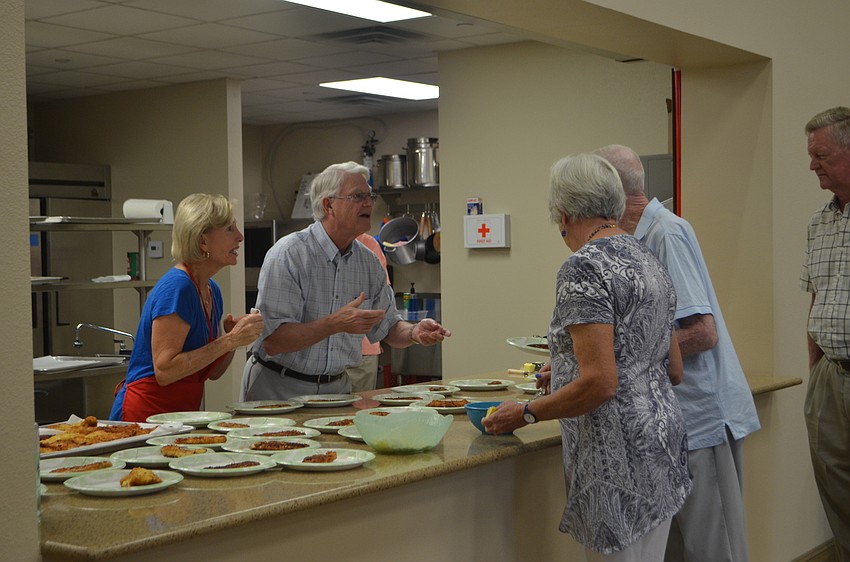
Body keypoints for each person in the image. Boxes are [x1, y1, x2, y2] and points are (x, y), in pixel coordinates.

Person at [484, 153, 690, 561]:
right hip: (663, 448)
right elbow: (674, 369)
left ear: (562, 214)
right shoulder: (647, 257)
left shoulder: (582, 267)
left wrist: (526, 411)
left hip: (616, 462)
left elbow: (601, 382)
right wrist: (563, 369)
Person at [594, 144, 760, 562]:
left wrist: (617, 357)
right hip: (667, 423)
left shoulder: (665, 232)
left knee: (714, 550)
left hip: (700, 420)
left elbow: (702, 333)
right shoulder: (633, 239)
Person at [241, 161, 450, 400]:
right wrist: (335, 323)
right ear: (329, 205)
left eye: (370, 195)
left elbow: (389, 327)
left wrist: (414, 332)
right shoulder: (289, 254)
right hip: (279, 388)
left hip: (336, 392)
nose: (369, 203)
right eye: (358, 196)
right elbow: (273, 340)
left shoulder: (369, 262)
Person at [109, 193, 264, 421]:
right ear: (203, 241)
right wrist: (228, 341)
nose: (240, 237)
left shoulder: (211, 290)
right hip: (144, 415)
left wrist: (234, 341)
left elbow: (213, 373)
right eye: (229, 229)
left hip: (179, 416)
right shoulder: (177, 288)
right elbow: (165, 370)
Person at [801, 106, 850, 561]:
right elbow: (816, 300)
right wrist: (815, 371)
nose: (812, 164)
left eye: (821, 154)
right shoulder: (820, 223)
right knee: (834, 484)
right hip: (829, 377)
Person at [345, 232, 390, 392]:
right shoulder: (307, 246)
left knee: (357, 412)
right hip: (319, 354)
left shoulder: (367, 244)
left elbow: (382, 298)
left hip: (360, 351)